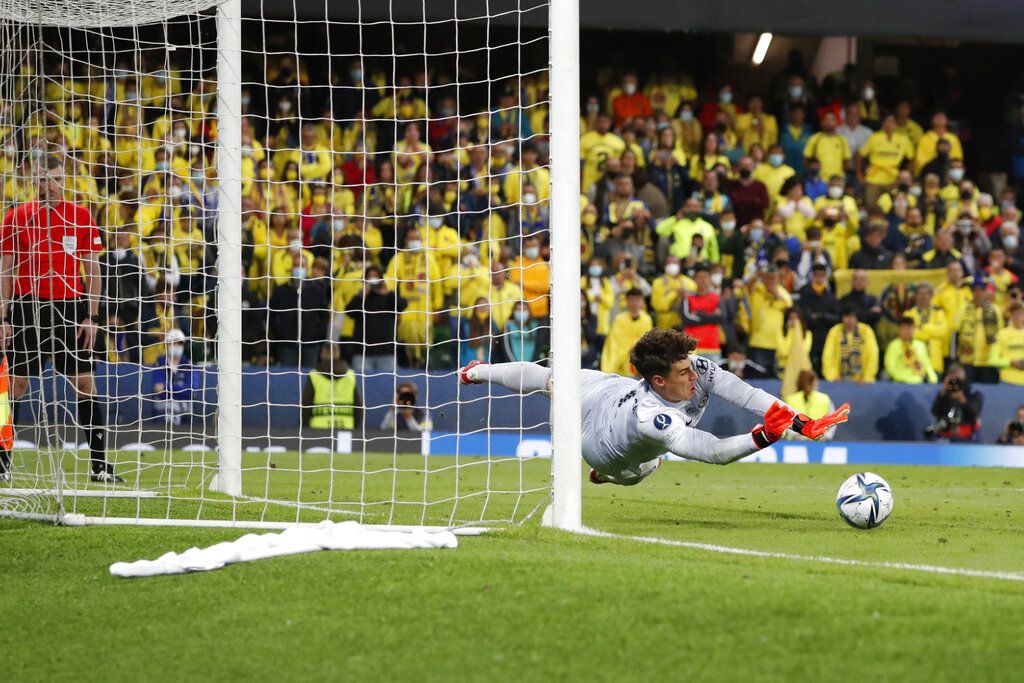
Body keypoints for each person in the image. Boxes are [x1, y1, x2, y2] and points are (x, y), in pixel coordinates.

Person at [458, 328, 849, 487]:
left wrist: (799, 420)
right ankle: (479, 372)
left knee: (633, 469)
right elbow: (711, 450)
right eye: (683, 371)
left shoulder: (694, 369)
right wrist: (763, 436)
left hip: (615, 392)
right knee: (553, 381)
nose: (694, 375)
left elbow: (745, 394)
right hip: (597, 439)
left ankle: (608, 476)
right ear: (658, 380)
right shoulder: (652, 419)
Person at [0, 156, 121, 482]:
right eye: (41, 179)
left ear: (63, 180)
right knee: (14, 385)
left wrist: (91, 316)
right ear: (32, 180)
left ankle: (99, 467)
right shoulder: (15, 218)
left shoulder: (81, 216)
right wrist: (4, 317)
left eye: (54, 178)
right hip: (27, 308)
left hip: (70, 309)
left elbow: (92, 270)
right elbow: (6, 271)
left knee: (85, 383)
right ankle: (2, 464)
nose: (48, 186)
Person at [302, 345, 361, 431]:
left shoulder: (314, 375)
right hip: (346, 428)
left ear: (322, 354)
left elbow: (306, 404)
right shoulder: (350, 375)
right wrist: (356, 428)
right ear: (338, 354)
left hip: (318, 428)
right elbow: (358, 405)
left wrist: (305, 428)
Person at [150, 328, 201, 426]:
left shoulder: (189, 366)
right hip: (161, 418)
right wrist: (181, 390)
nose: (177, 346)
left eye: (180, 343)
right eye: (174, 343)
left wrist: (166, 388)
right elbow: (158, 391)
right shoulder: (159, 364)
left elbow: (191, 392)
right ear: (167, 345)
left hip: (185, 420)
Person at [821, 307, 879, 383]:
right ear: (842, 318)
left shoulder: (866, 331)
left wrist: (867, 377)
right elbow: (828, 355)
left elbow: (873, 355)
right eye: (846, 316)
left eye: (852, 316)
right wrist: (833, 376)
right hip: (838, 380)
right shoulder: (834, 331)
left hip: (862, 382)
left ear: (857, 318)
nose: (849, 320)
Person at [926, 363, 982, 442]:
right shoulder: (944, 394)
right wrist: (942, 393)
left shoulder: (974, 395)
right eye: (952, 379)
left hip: (966, 438)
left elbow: (974, 415)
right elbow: (935, 411)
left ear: (964, 378)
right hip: (944, 437)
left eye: (957, 379)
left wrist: (962, 400)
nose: (955, 383)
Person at [783, 370, 836, 441]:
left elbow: (784, 420)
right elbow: (833, 419)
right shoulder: (825, 398)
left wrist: (795, 435)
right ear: (814, 382)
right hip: (818, 442)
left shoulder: (790, 399)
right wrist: (826, 436)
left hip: (794, 444)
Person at [884, 317, 938, 384]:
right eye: (904, 329)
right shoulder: (893, 345)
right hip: (900, 383)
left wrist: (932, 377)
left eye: (910, 328)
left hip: (919, 382)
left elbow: (927, 364)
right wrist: (904, 378)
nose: (907, 331)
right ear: (899, 329)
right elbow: (890, 366)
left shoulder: (920, 345)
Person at [990, 301, 1024, 385]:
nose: (1017, 316)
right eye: (1014, 313)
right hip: (1007, 380)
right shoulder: (1001, 334)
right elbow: (992, 359)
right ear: (1010, 316)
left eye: (1020, 313)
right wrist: (1011, 362)